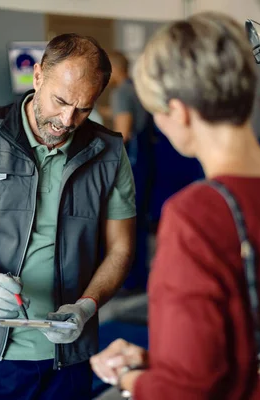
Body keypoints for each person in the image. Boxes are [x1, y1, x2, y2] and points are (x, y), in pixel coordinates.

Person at [90, 12, 260, 399]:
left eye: (158, 114)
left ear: (179, 111)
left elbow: (186, 392)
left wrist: (129, 379)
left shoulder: (196, 215)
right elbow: (252, 346)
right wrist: (156, 360)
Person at [0, 33, 136, 400]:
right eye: (60, 101)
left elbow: (121, 249)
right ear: (38, 75)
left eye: (83, 108)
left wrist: (86, 306)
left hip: (69, 354)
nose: (67, 119)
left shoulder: (109, 152)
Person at [105, 51, 152, 293]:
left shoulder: (121, 92)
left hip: (131, 162)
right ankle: (139, 277)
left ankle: (129, 280)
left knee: (126, 220)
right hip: (145, 159)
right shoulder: (136, 88)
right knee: (140, 220)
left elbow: (123, 133)